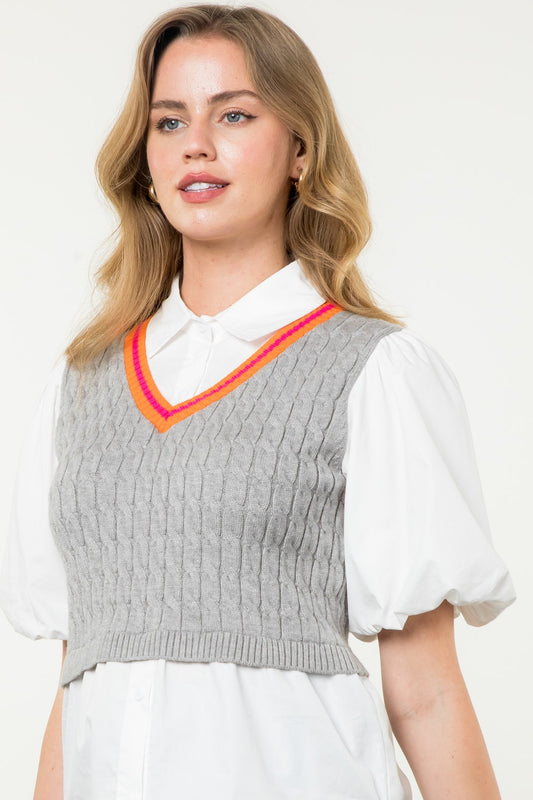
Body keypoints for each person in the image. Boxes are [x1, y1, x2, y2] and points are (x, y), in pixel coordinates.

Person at [0, 5, 516, 799]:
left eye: (234, 115)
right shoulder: (82, 384)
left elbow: (427, 690)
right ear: (146, 158)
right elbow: (78, 679)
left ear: (300, 150)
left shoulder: (370, 370)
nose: (196, 144)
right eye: (169, 121)